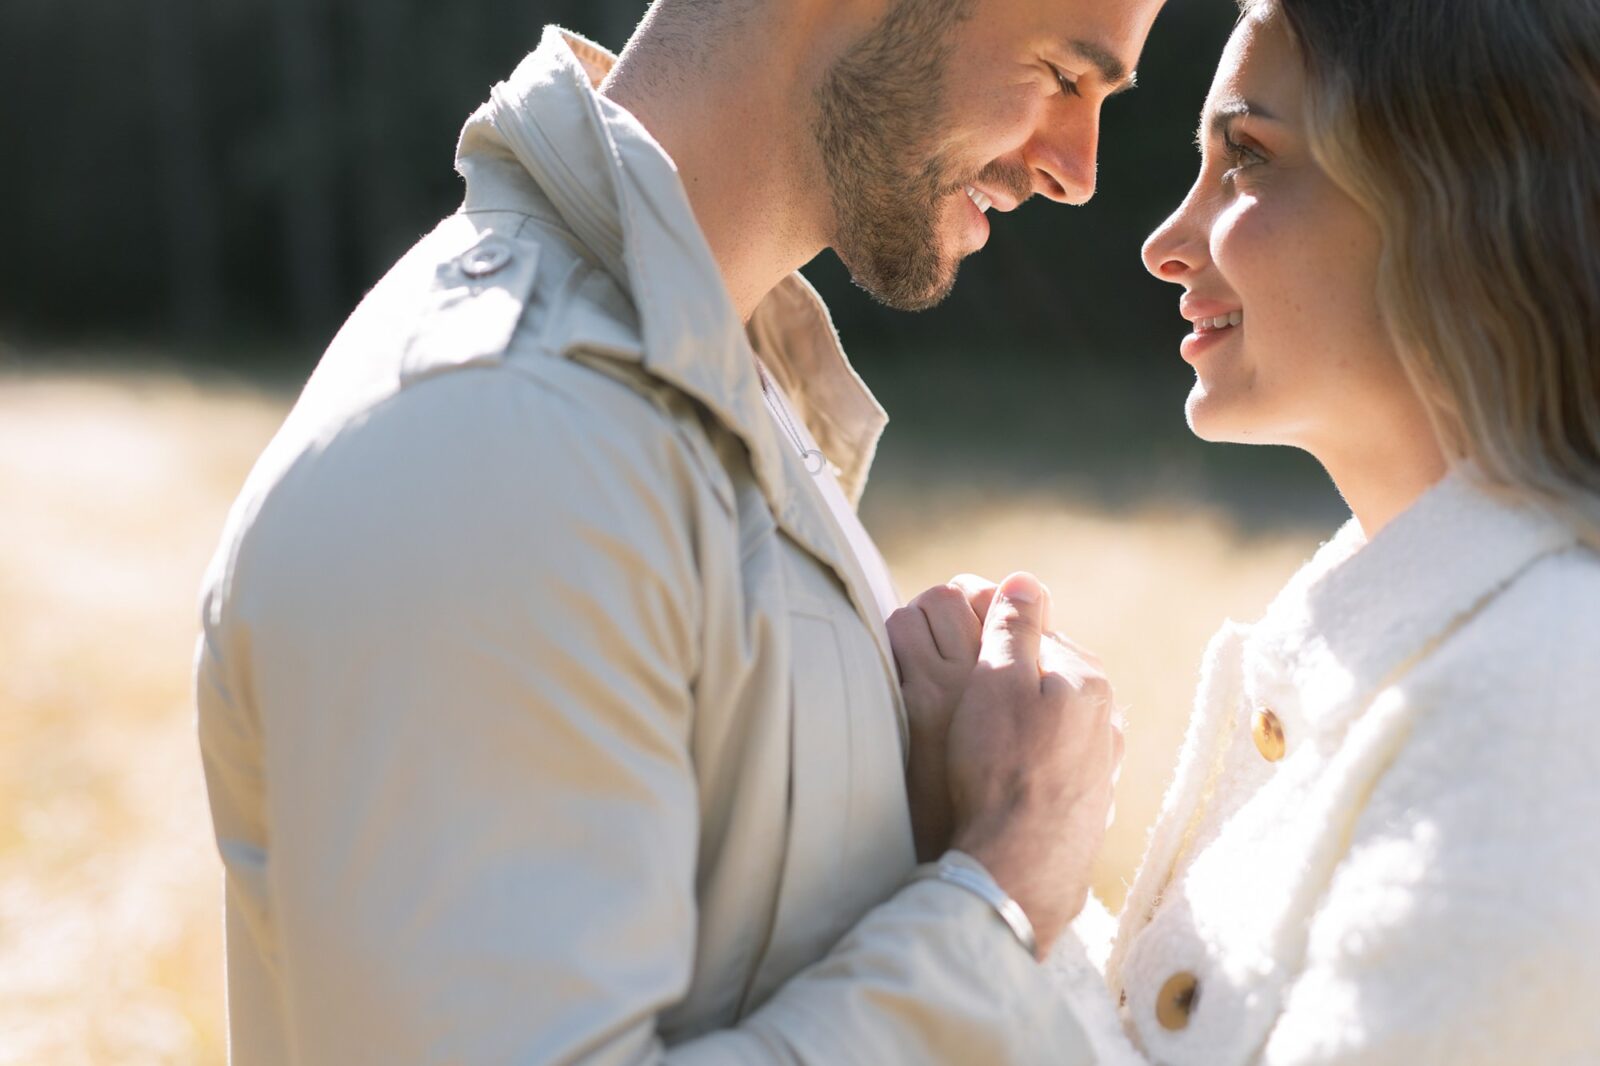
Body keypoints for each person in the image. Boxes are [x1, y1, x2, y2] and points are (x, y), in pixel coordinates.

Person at [194, 0, 1164, 1061]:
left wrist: (919, 828)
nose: (1078, 168)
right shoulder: (500, 434)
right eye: (1064, 76)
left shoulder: (695, 376)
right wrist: (1004, 885)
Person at [895, 0, 1600, 1061]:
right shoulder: (1411, 639)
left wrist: (1001, 877)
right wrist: (1008, 856)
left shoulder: (1546, 693)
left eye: (1247, 159)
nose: (1165, 243)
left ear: (1464, 185)